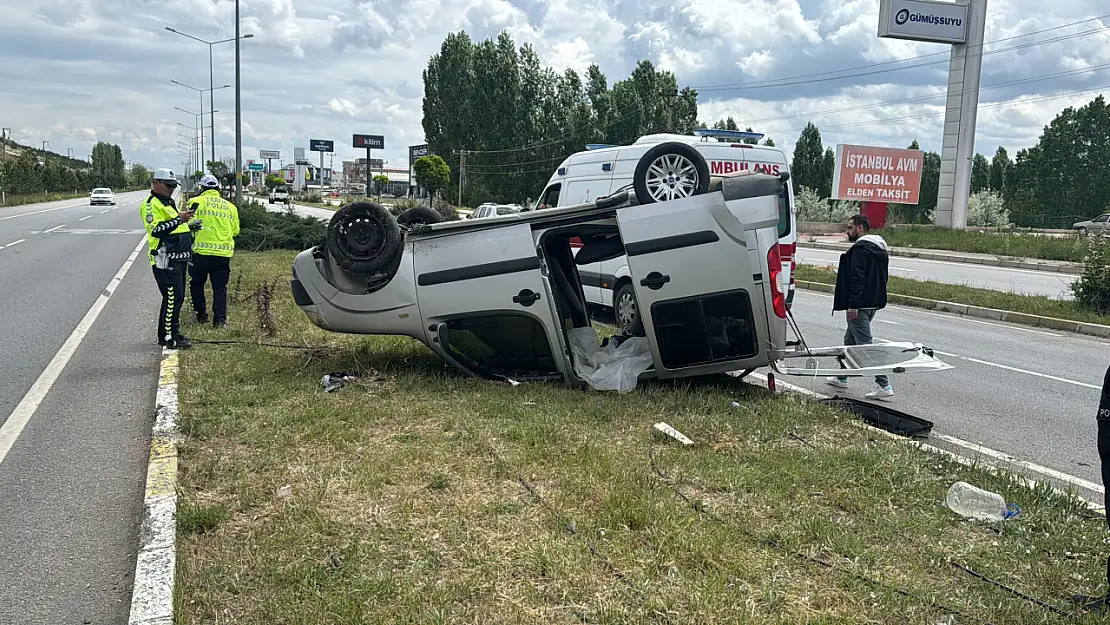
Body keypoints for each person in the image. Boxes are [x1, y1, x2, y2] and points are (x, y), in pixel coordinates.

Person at [825, 214, 892, 401]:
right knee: (850, 340)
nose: (847, 232)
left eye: (850, 228)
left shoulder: (860, 250)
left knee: (864, 345)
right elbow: (883, 278)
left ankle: (883, 384)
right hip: (873, 303)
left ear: (860, 228)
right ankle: (842, 377)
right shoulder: (880, 249)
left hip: (859, 305)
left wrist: (852, 304)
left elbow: (857, 278)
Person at [141, 168, 200, 350]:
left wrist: (188, 226)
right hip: (165, 260)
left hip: (177, 259)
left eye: (174, 186)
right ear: (156, 183)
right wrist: (180, 220)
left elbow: (173, 229)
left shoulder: (168, 202)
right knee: (173, 298)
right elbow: (157, 230)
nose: (172, 189)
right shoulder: (151, 204)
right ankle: (170, 338)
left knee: (175, 298)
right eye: (168, 186)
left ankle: (168, 334)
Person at [187, 174, 240, 327]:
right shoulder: (230, 207)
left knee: (196, 284)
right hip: (222, 254)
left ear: (202, 188)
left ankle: (201, 315)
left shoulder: (195, 202)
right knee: (220, 288)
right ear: (218, 188)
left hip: (200, 253)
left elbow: (187, 225)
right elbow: (235, 230)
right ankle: (220, 320)